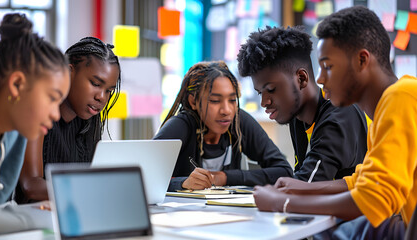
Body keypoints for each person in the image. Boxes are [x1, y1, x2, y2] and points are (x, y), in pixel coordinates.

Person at [253, 6, 417, 238]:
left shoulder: (401, 96)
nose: (320, 78)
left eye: (328, 66)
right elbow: (361, 181)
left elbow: (374, 198)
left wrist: (284, 202)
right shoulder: (387, 107)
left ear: (362, 61)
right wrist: (303, 189)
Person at [237, 26, 368, 182]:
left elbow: (305, 185)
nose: (264, 102)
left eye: (271, 89)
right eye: (260, 93)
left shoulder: (340, 114)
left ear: (301, 78)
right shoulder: (299, 118)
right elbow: (300, 177)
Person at [153, 61, 293, 191]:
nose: (226, 110)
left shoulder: (238, 121)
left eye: (232, 100)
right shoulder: (180, 126)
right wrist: (182, 183)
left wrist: (224, 177)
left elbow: (284, 171)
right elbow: (144, 177)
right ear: (193, 101)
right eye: (215, 101)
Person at [0, 13, 70, 235]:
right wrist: (36, 220)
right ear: (16, 84)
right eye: (52, 98)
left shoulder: (15, 132)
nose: (56, 114)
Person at [17, 37, 121, 202]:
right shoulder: (38, 111)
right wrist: (87, 190)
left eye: (109, 90)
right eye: (95, 83)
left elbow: (89, 178)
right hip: (32, 216)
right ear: (69, 72)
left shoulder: (91, 119)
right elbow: (31, 186)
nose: (101, 97)